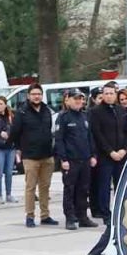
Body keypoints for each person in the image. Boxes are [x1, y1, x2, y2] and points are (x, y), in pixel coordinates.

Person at [10, 84, 57, 228]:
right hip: (30, 156)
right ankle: (30, 216)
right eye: (34, 94)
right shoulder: (22, 112)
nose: (37, 96)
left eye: (39, 94)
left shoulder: (46, 111)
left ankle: (45, 215)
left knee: (45, 187)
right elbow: (15, 133)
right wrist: (19, 149)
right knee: (30, 187)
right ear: (28, 96)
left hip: (47, 155)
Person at [53, 89, 98, 230]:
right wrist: (63, 159)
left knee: (83, 190)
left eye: (80, 99)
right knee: (70, 190)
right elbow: (59, 140)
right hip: (70, 161)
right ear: (69, 100)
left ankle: (82, 217)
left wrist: (93, 155)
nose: (79, 101)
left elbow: (90, 137)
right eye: (75, 98)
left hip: (85, 159)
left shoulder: (85, 116)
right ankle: (70, 218)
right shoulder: (63, 117)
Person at [90, 81, 127, 221]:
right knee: (104, 187)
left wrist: (124, 149)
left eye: (111, 93)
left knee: (121, 186)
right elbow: (97, 134)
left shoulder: (121, 110)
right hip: (105, 156)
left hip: (121, 155)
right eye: (106, 93)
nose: (109, 96)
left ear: (116, 94)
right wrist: (110, 152)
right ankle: (105, 213)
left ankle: (120, 212)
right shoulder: (95, 112)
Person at [0, 96, 16, 205]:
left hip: (11, 147)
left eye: (1, 104)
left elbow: (15, 128)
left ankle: (9, 194)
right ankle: (0, 196)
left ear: (5, 105)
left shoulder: (11, 116)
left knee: (9, 172)